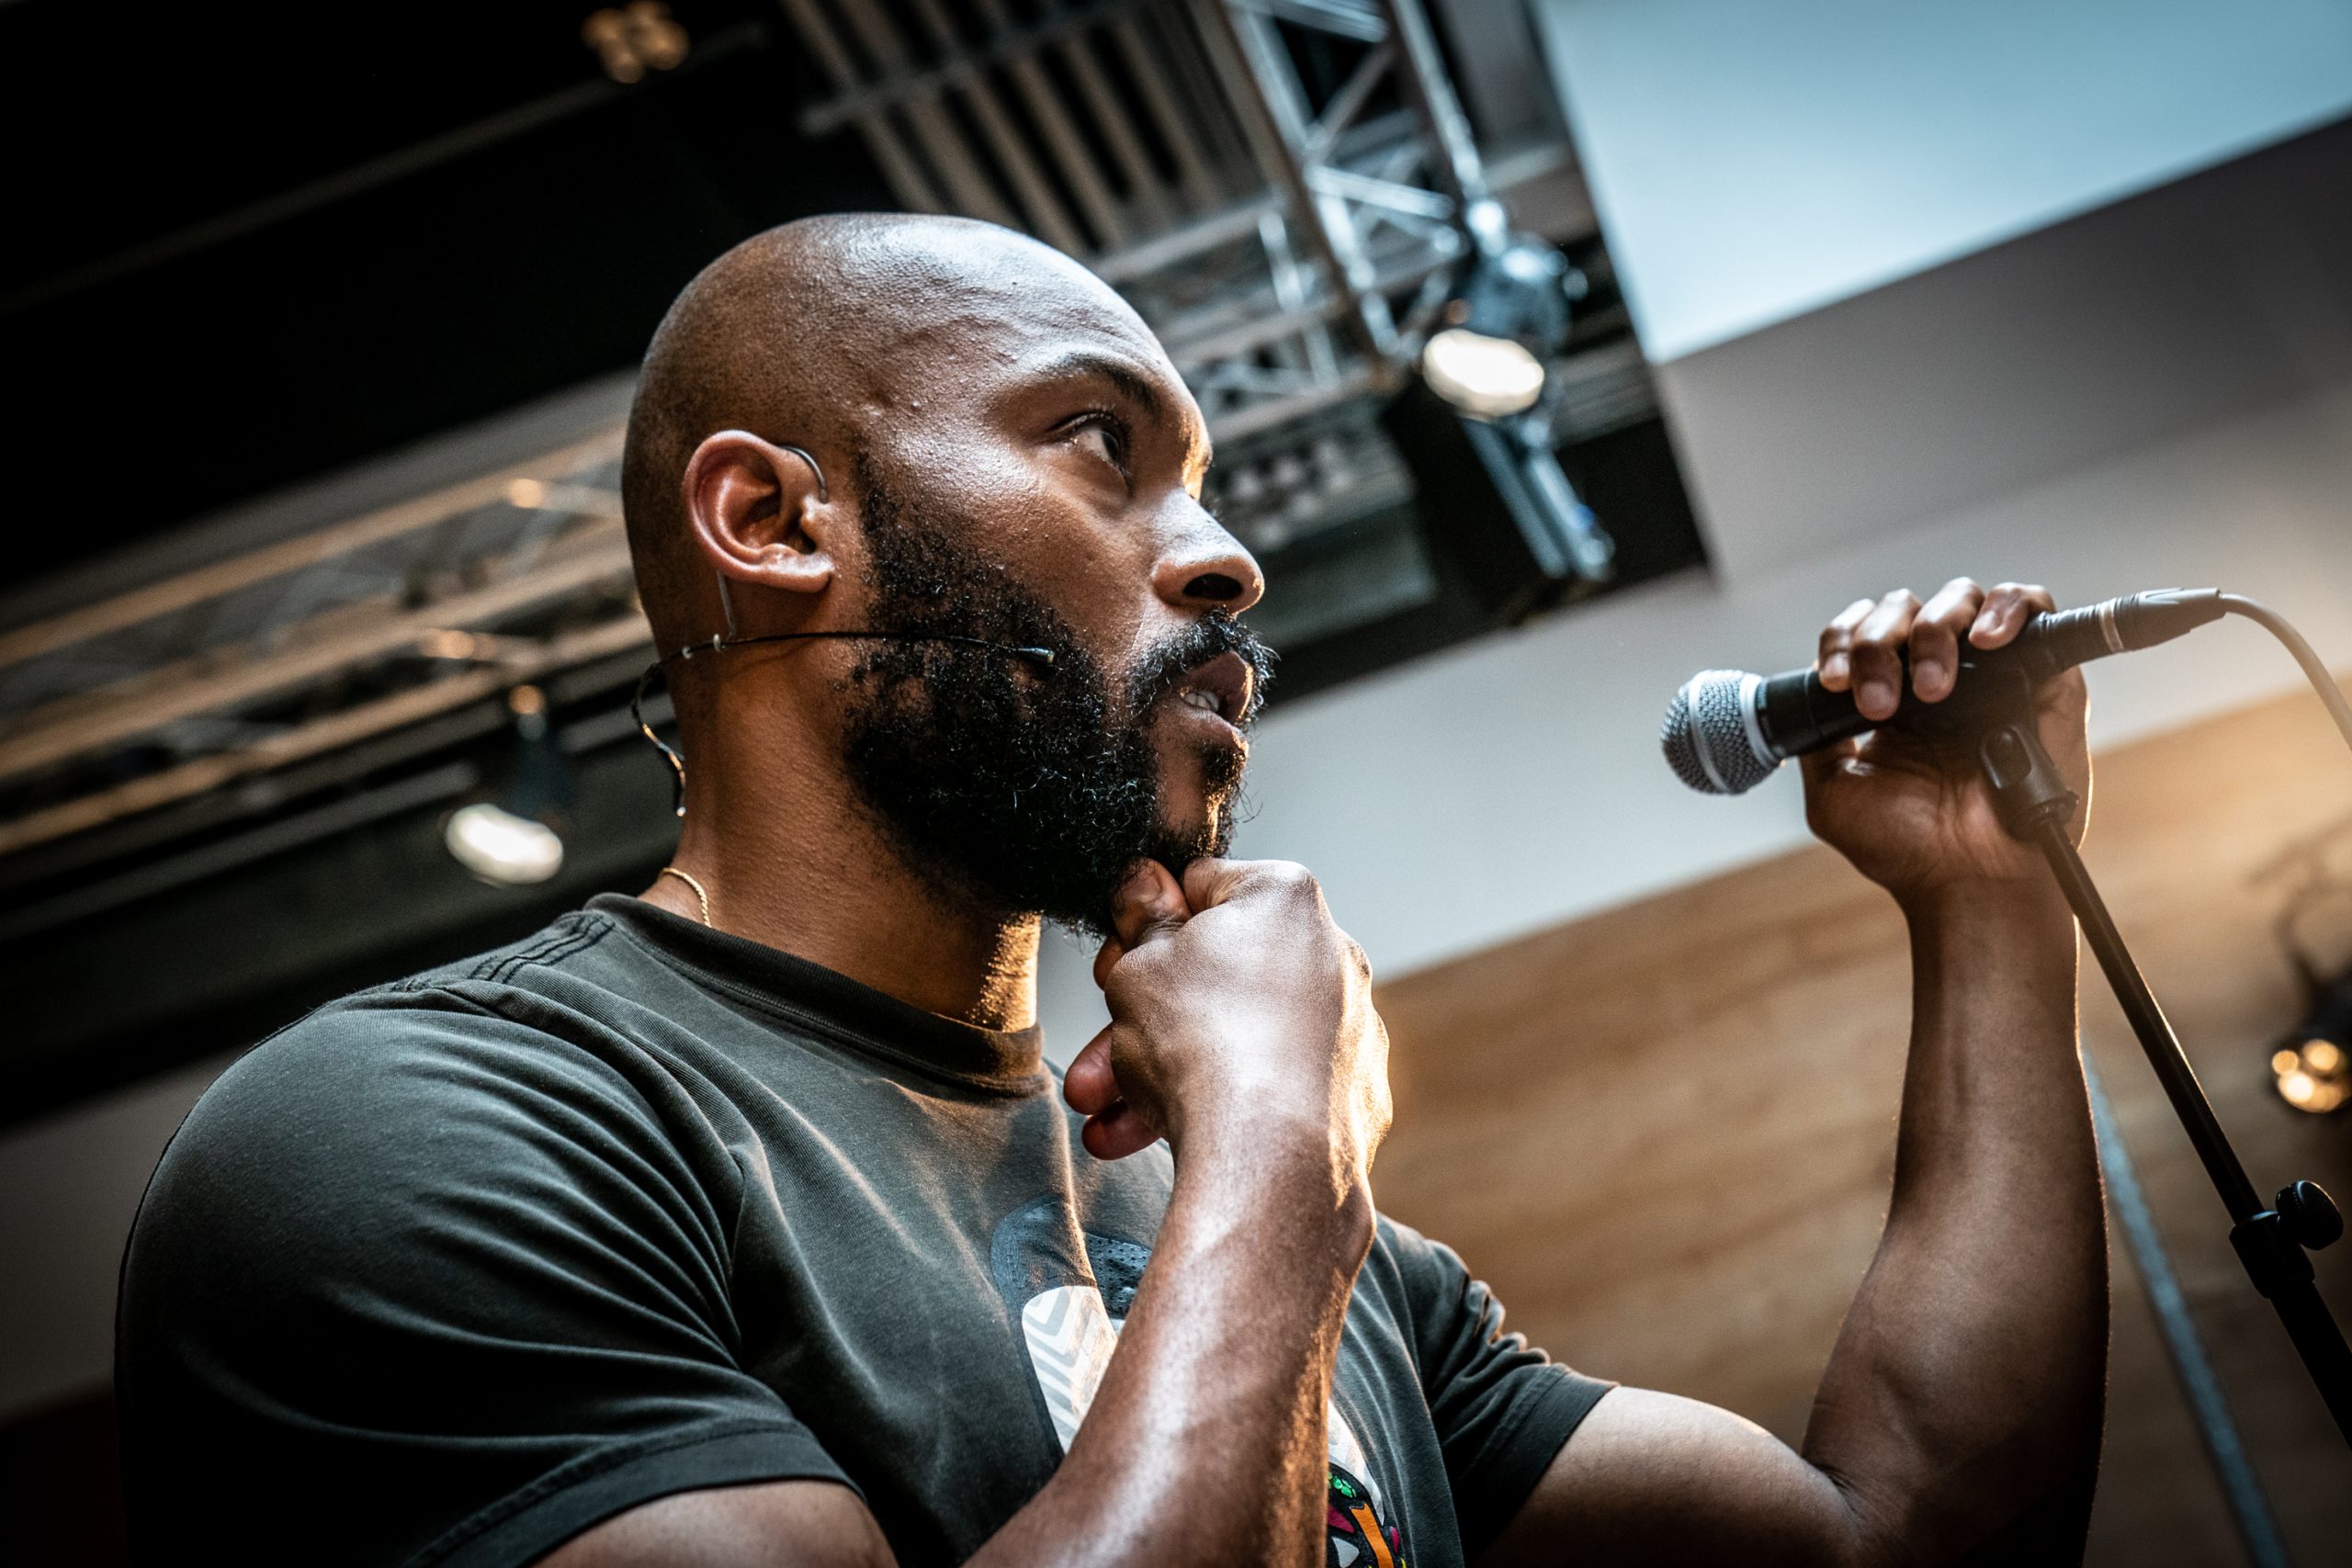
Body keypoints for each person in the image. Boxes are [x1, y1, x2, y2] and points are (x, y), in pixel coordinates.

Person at [116, 215, 2106, 1567]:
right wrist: (1286, 1175)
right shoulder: (430, 1136)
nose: (1227, 553)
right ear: (771, 522)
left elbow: (1900, 1526)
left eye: (1209, 478)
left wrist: (1991, 903)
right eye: (1100, 446)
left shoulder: (1247, 1219)